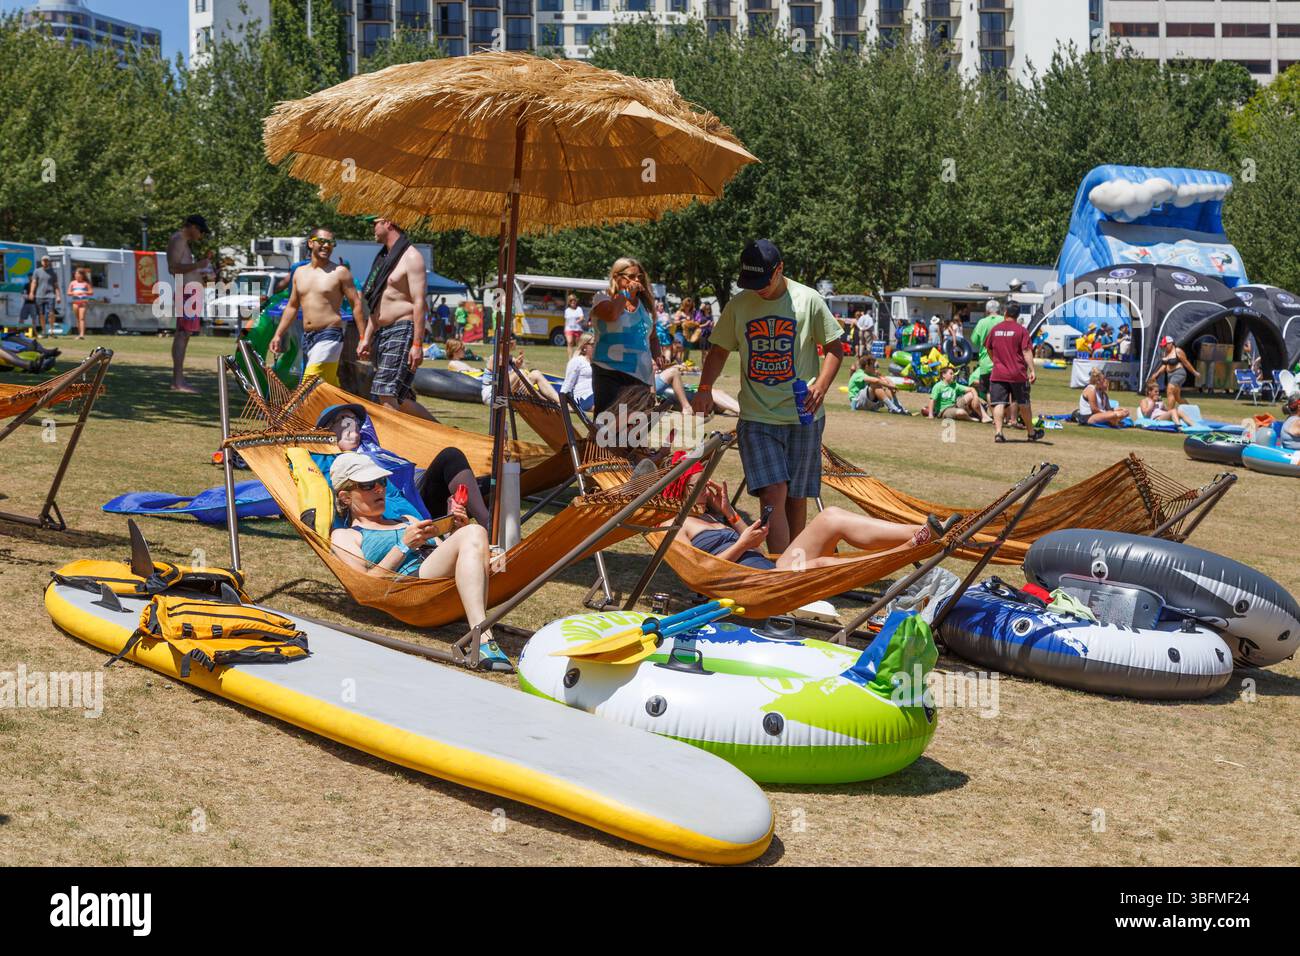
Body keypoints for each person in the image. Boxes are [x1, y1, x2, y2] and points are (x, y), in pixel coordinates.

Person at [692, 238, 844, 553]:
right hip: (757, 417)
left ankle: (792, 564)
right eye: (751, 282)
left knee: (795, 496)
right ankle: (778, 568)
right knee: (773, 492)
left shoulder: (809, 300)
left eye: (763, 281)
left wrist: (821, 386)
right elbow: (718, 351)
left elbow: (834, 349)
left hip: (804, 417)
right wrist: (704, 388)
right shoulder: (739, 304)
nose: (758, 289)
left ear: (780, 270)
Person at [327, 452, 510, 672]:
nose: (379, 489)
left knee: (475, 535)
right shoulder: (345, 536)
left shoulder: (408, 520)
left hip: (438, 576)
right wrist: (404, 546)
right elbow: (363, 587)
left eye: (382, 482)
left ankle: (481, 637)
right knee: (475, 531)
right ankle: (483, 638)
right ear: (346, 497)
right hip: (412, 587)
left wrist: (457, 531)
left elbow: (449, 554)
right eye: (368, 485)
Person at [673, 474, 932, 571]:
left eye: (708, 485)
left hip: (773, 567)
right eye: (698, 485)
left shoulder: (713, 517)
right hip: (759, 582)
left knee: (831, 516)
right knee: (820, 564)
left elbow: (759, 550)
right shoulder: (675, 526)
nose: (706, 491)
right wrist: (741, 544)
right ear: (680, 488)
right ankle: (905, 551)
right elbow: (701, 570)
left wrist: (730, 513)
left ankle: (923, 529)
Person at [269, 228, 365, 387]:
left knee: (309, 382)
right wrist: (278, 334)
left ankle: (299, 412)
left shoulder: (340, 272)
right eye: (322, 241)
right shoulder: (299, 273)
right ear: (310, 243)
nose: (326, 246)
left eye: (330, 242)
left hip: (330, 335)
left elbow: (356, 304)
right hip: (307, 337)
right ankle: (346, 412)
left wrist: (363, 338)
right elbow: (292, 307)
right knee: (326, 386)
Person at [359, 216, 433, 420]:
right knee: (400, 398)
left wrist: (417, 344)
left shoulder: (411, 257)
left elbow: (419, 303)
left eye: (374, 223)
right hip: (382, 332)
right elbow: (377, 303)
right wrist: (366, 337)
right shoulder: (384, 259)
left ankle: (387, 445)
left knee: (385, 391)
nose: (372, 228)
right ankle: (446, 434)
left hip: (403, 328)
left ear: (388, 223)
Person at [589, 257, 663, 429]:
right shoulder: (602, 297)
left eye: (639, 277)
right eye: (631, 276)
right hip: (609, 371)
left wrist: (657, 353)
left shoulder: (645, 304)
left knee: (635, 430)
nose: (637, 281)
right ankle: (600, 456)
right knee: (606, 427)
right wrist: (625, 294)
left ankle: (631, 457)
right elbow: (612, 315)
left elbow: (652, 336)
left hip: (640, 376)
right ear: (616, 276)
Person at [166, 215, 215, 393]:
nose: (201, 235)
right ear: (193, 227)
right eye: (201, 231)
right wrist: (198, 265)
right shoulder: (178, 239)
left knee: (184, 335)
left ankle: (179, 380)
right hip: (186, 292)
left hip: (190, 292)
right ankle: (178, 382)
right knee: (182, 334)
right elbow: (173, 268)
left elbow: (183, 269)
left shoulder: (183, 242)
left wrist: (204, 273)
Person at [986, 302, 1044, 442]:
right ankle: (1031, 433)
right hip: (1018, 373)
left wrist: (996, 361)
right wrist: (1032, 370)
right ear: (1018, 316)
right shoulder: (1021, 330)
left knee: (998, 403)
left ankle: (999, 433)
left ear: (1005, 312)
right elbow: (1026, 351)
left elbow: (989, 348)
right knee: (1024, 403)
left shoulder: (995, 329)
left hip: (998, 373)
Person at [1146, 335, 1198, 428]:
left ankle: (1170, 412)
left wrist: (1194, 372)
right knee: (1177, 397)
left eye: (1165, 345)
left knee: (1169, 389)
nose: (1164, 347)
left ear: (1171, 343)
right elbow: (1164, 366)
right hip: (1170, 375)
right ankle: (1190, 409)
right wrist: (1156, 374)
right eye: (1163, 346)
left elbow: (1186, 362)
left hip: (1179, 373)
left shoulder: (1178, 351)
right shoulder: (1165, 353)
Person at [926, 365, 991, 422]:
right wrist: (930, 414)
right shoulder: (938, 386)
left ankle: (983, 416)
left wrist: (976, 397)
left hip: (955, 405)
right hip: (944, 410)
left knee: (971, 394)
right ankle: (970, 418)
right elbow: (932, 400)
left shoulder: (955, 385)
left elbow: (972, 389)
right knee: (961, 412)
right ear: (943, 375)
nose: (953, 375)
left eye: (953, 374)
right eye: (951, 374)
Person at [968, 299, 1002, 400]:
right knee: (1003, 391)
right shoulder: (1004, 320)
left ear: (987, 311)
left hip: (985, 363)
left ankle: (993, 414)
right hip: (1002, 362)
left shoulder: (982, 322)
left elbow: (974, 340)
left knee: (988, 391)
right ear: (999, 310)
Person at [561, 332, 596, 413]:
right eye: (593, 344)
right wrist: (562, 402)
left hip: (595, 394)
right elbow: (568, 383)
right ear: (584, 346)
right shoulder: (577, 361)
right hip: (583, 397)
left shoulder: (597, 362)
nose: (596, 346)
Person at [30, 255, 63, 338]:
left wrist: (58, 296)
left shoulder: (53, 272)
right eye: (44, 261)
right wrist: (31, 293)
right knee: (41, 314)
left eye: (46, 261)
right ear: (41, 262)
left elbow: (56, 285)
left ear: (49, 262)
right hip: (39, 295)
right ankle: (44, 331)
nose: (45, 262)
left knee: (51, 313)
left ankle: (52, 331)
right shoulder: (37, 271)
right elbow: (34, 283)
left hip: (50, 295)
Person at [66, 268, 93, 340]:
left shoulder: (86, 283)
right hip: (75, 302)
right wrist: (74, 293)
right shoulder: (72, 283)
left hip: (83, 302)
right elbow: (68, 293)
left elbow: (91, 292)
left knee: (82, 318)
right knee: (77, 319)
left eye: (78, 274)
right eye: (75, 274)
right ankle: (79, 334)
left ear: (82, 275)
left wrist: (84, 292)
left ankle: (82, 334)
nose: (76, 275)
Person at [563, 294, 585, 361]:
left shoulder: (579, 309)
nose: (573, 302)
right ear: (569, 302)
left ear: (576, 301)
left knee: (578, 345)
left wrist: (578, 320)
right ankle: (570, 358)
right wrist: (564, 329)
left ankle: (576, 358)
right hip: (569, 329)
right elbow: (566, 320)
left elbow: (582, 317)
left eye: (574, 301)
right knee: (570, 342)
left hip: (577, 329)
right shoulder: (567, 310)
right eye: (571, 301)